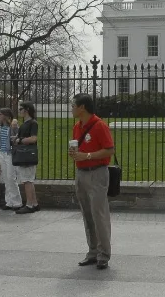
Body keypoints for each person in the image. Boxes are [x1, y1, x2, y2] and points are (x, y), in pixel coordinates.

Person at [69, 93, 115, 270]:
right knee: (87, 214)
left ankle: (104, 254)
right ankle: (93, 251)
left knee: (99, 214)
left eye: (73, 105)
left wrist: (87, 155)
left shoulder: (99, 125)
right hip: (81, 172)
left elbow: (109, 150)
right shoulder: (77, 127)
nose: (71, 108)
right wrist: (76, 155)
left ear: (82, 107)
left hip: (97, 173)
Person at [13, 102, 39, 214]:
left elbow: (33, 138)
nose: (19, 111)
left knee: (27, 180)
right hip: (24, 154)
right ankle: (34, 203)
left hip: (27, 154)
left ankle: (29, 205)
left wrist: (20, 140)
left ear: (27, 109)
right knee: (29, 180)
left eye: (21, 109)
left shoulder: (33, 123)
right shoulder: (24, 124)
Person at [0, 108, 22, 210]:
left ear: (6, 116)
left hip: (10, 154)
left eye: (0, 114)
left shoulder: (12, 127)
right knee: (6, 178)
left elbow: (18, 134)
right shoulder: (0, 127)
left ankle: (17, 202)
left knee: (11, 177)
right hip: (2, 153)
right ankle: (9, 201)